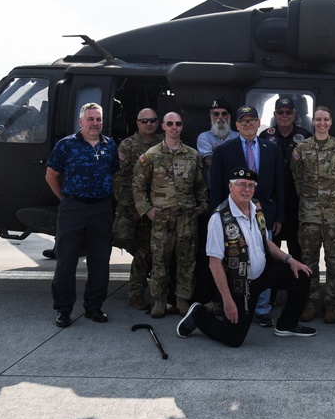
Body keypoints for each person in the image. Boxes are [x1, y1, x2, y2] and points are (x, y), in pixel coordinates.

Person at [176, 167, 317, 346]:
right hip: (240, 283)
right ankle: (198, 314)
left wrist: (290, 260)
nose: (246, 189)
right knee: (233, 339)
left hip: (264, 272)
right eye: (241, 184)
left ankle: (287, 325)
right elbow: (215, 264)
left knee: (302, 275)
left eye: (251, 185)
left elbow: (265, 243)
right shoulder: (219, 219)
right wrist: (227, 300)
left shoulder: (256, 207)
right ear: (230, 187)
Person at [209, 104, 285, 327]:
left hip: (264, 215)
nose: (248, 124)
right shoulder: (224, 150)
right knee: (234, 261)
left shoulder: (272, 149)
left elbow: (279, 184)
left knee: (263, 260)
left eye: (252, 120)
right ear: (237, 125)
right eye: (244, 121)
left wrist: (279, 215)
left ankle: (261, 308)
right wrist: (216, 218)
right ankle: (233, 304)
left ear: (259, 123)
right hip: (233, 216)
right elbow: (216, 187)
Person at [45, 102, 119, 327]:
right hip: (73, 208)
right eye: (90, 119)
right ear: (81, 121)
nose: (94, 123)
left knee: (100, 260)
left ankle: (94, 307)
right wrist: (66, 200)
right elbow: (51, 176)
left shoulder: (110, 145)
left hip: (101, 209)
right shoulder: (66, 145)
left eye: (98, 119)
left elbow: (114, 174)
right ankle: (64, 310)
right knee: (66, 260)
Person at [132, 111, 208, 318]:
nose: (174, 127)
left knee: (187, 261)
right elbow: (138, 185)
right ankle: (160, 300)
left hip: (187, 218)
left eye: (178, 124)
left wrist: (202, 206)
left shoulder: (192, 155)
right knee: (160, 260)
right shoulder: (151, 155)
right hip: (161, 218)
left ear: (182, 127)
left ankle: (183, 300)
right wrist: (146, 210)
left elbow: (200, 185)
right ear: (163, 127)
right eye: (170, 124)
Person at [291, 106, 335, 324]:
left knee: (334, 261)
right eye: (318, 119)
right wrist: (310, 199)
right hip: (309, 214)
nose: (321, 123)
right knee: (309, 261)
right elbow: (297, 178)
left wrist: (332, 199)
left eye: (325, 119)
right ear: (313, 122)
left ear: (331, 121)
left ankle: (332, 305)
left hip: (334, 214)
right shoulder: (302, 147)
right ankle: (311, 303)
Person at [112, 108, 164, 311]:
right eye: (144, 121)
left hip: (157, 208)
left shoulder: (163, 143)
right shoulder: (127, 145)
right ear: (137, 123)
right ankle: (138, 287)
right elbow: (120, 180)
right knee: (127, 240)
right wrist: (135, 207)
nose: (149, 124)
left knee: (147, 251)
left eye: (152, 120)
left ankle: (137, 293)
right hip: (133, 208)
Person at [260, 96, 310, 263]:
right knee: (271, 249)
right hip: (272, 203)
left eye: (288, 112)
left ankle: (296, 288)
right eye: (280, 112)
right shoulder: (265, 136)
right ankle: (272, 289)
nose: (284, 115)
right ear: (275, 114)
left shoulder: (305, 136)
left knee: (297, 248)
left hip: (296, 202)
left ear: (294, 114)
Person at [196, 100, 238, 184]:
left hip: (236, 189)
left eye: (224, 114)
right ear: (211, 116)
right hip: (213, 188)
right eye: (216, 114)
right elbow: (209, 163)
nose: (220, 117)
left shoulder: (238, 137)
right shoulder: (204, 137)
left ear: (229, 116)